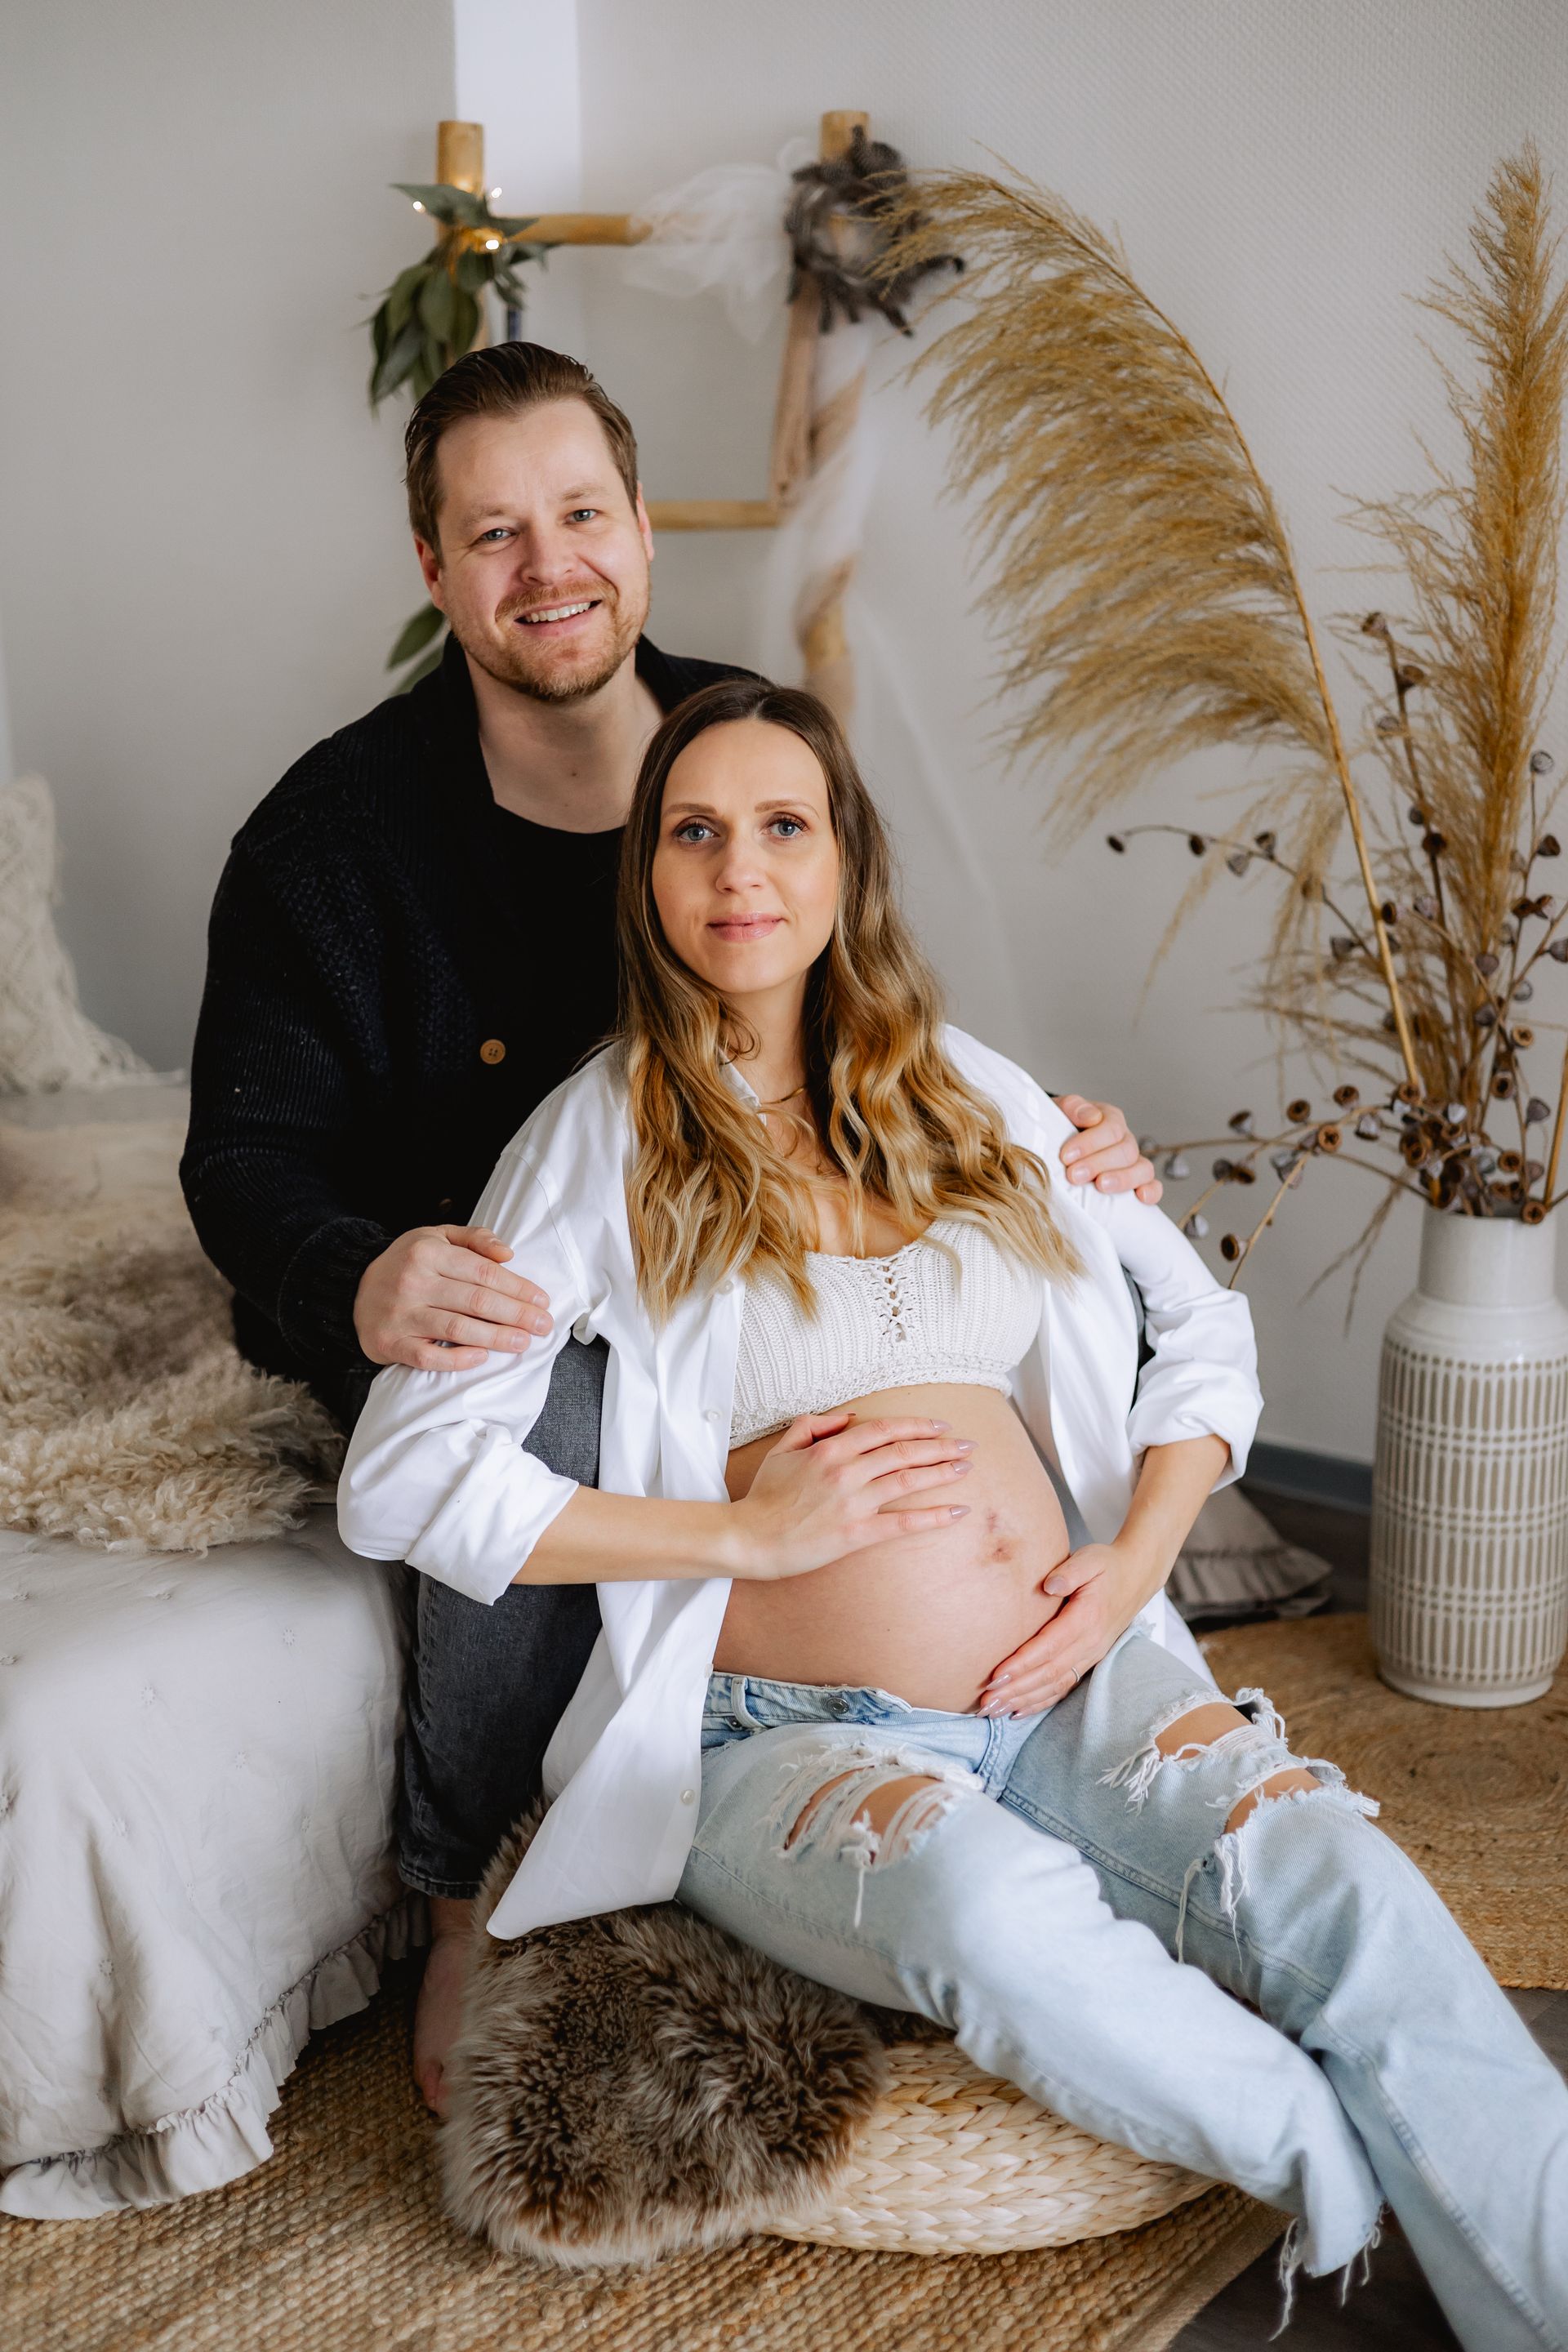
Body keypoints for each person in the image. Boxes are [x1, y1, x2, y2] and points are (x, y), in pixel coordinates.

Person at [339, 677, 1568, 2351]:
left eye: (786, 824)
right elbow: (405, 1474)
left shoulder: (965, 1092)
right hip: (784, 1742)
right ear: (649, 880)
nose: (739, 868)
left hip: (1076, 1682)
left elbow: (1201, 1337)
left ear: (847, 863)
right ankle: (1337, 2158)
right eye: (693, 832)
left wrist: (1131, 1562)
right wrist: (741, 1541)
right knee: (985, 1917)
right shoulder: (599, 1139)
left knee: (1329, 1876)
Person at [179, 341, 1161, 2109]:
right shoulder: (329, 841)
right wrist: (362, 1269)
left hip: (730, 1260)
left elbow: (862, 1016)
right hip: (481, 1307)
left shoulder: (747, 743)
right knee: (542, 1384)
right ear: (433, 573)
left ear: (641, 526)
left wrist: (1049, 1146)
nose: (546, 564)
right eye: (492, 533)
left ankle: (965, 1724)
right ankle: (474, 1881)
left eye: (578, 513)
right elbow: (243, 1163)